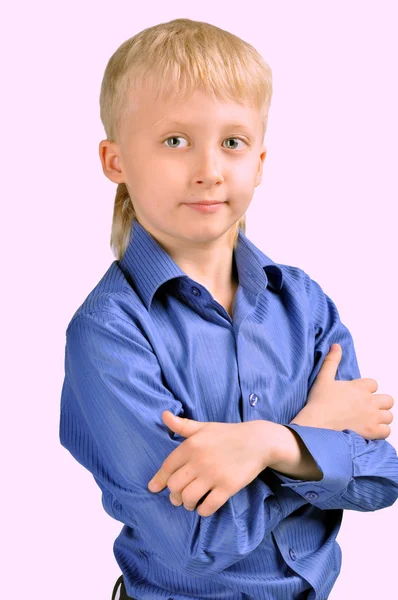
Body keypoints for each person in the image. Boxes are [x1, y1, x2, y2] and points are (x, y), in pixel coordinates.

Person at [59, 18, 398, 600]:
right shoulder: (110, 332)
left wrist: (265, 445)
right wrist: (308, 437)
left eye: (232, 142)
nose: (209, 170)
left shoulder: (303, 304)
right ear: (115, 161)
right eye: (175, 140)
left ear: (260, 161)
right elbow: (194, 541)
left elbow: (379, 478)